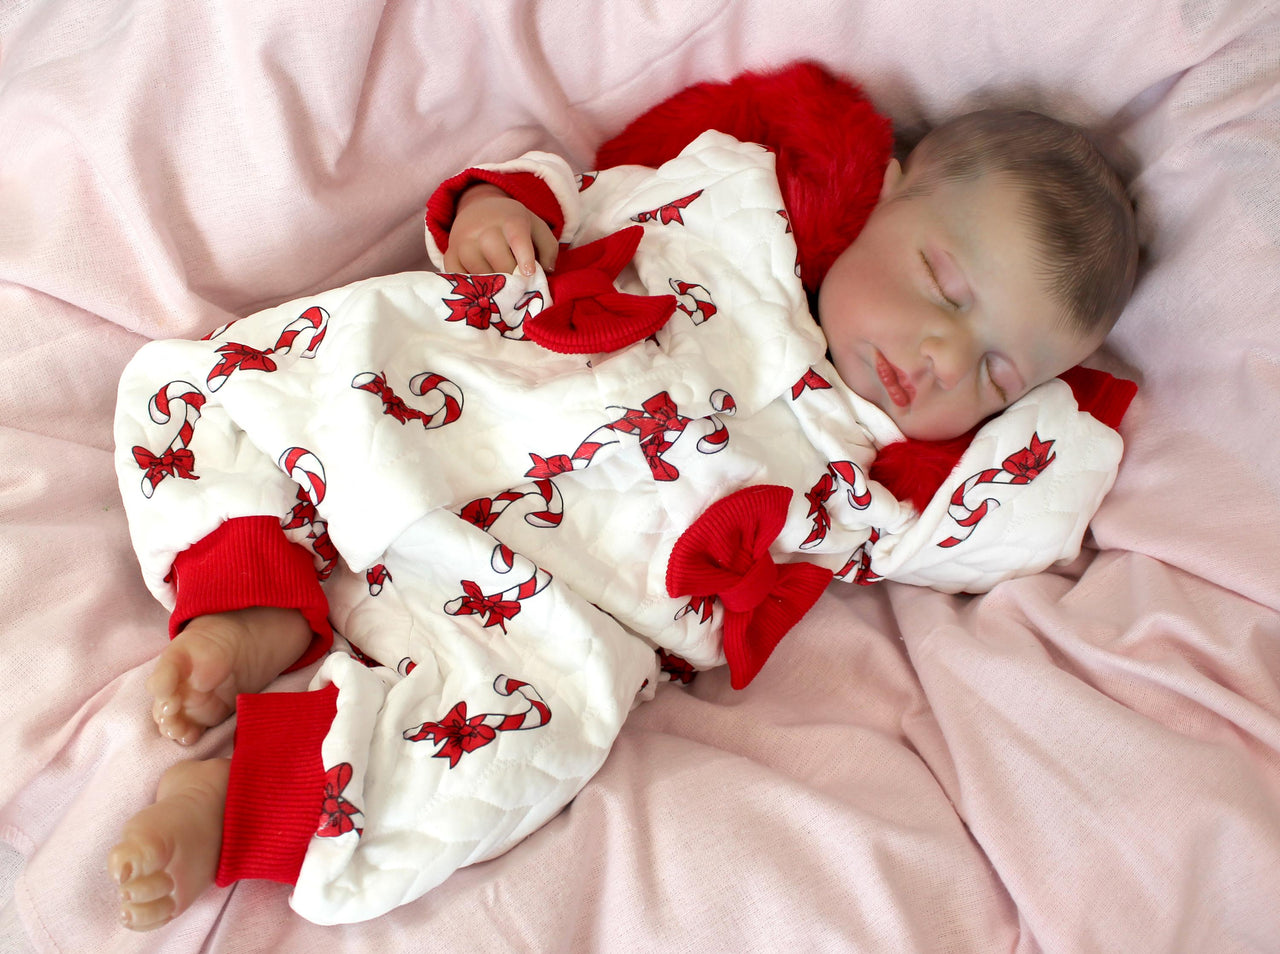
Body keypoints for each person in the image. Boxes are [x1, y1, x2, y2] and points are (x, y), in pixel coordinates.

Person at [107, 64, 1138, 929]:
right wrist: (499, 213)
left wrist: (1064, 401)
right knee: (220, 389)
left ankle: (243, 796)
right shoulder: (732, 200)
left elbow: (1025, 514)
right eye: (944, 285)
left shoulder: (883, 489)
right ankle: (252, 600)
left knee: (513, 753)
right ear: (886, 191)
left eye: (997, 371)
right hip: (447, 402)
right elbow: (579, 190)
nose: (943, 352)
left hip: (548, 603)